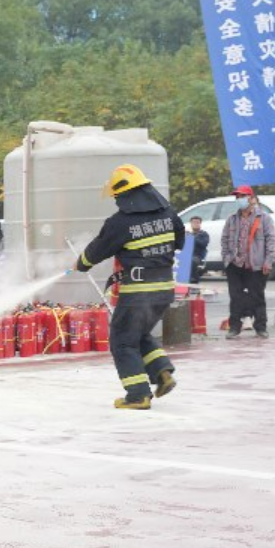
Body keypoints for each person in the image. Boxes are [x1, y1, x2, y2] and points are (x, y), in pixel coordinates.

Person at [75, 164, 185, 410]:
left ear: (126, 194)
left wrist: (80, 264)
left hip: (138, 292)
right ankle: (162, 373)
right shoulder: (169, 214)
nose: (116, 201)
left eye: (117, 196)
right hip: (165, 287)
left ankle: (138, 395)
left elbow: (97, 249)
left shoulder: (120, 222)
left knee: (122, 341)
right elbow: (179, 242)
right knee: (139, 334)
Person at [221, 184, 275, 339]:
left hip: (256, 265)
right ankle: (234, 327)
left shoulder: (264, 218)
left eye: (242, 197)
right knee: (235, 297)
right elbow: (225, 239)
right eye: (237, 197)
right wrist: (226, 259)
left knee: (257, 296)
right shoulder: (232, 219)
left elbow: (271, 241)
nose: (239, 200)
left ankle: (260, 327)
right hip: (235, 264)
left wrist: (268, 261)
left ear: (252, 199)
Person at [187, 216, 209, 285]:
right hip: (186, 254)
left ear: (200, 223)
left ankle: (194, 280)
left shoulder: (204, 234)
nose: (195, 224)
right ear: (190, 223)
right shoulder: (187, 234)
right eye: (193, 222)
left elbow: (203, 244)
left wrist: (193, 237)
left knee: (192, 260)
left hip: (198, 255)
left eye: (197, 222)